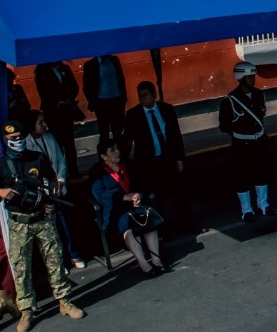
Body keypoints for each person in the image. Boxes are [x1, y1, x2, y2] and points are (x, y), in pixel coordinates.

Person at [0, 121, 86, 332]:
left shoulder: (37, 158)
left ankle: (65, 301)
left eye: (20, 137)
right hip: (19, 223)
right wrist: (2, 192)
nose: (18, 141)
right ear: (6, 140)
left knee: (55, 261)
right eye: (13, 139)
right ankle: (27, 310)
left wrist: (50, 202)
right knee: (22, 268)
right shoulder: (0, 166)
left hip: (42, 219)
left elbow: (51, 182)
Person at [90, 139, 168, 276]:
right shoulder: (97, 171)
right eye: (112, 150)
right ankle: (143, 262)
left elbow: (142, 182)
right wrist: (123, 197)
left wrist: (138, 194)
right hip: (115, 209)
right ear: (104, 156)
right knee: (127, 225)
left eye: (117, 148)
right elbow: (99, 194)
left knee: (148, 221)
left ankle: (156, 260)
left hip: (136, 204)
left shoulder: (128, 164)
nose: (117, 152)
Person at [122, 82, 188, 233]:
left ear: (154, 95)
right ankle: (163, 229)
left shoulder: (167, 110)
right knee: (156, 198)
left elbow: (176, 135)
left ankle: (186, 224)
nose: (143, 99)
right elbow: (127, 140)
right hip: (150, 163)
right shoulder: (133, 115)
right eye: (140, 96)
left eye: (146, 95)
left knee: (180, 193)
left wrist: (179, 157)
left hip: (169, 159)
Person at [25, 110, 85, 269]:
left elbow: (60, 161)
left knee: (66, 223)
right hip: (42, 190)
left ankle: (74, 254)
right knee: (50, 228)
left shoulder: (50, 138)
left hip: (57, 187)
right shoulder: (27, 144)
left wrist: (60, 180)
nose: (44, 125)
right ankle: (60, 261)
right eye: (40, 122)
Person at [218, 61, 271, 220]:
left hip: (259, 141)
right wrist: (240, 132)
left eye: (253, 76)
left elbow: (261, 115)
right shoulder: (229, 101)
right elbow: (224, 125)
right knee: (242, 176)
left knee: (261, 173)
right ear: (240, 78)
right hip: (241, 144)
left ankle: (264, 205)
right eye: (249, 77)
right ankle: (246, 210)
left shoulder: (258, 94)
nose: (252, 79)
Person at [33, 60, 81, 181]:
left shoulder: (65, 69)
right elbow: (43, 92)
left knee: (70, 142)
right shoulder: (42, 72)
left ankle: (74, 171)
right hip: (53, 112)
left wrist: (67, 99)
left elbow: (74, 87)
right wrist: (56, 102)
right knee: (57, 143)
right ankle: (60, 173)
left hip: (66, 109)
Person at [82, 53, 128, 149]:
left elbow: (121, 79)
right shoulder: (90, 64)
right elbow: (86, 87)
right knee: (104, 133)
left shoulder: (114, 60)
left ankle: (121, 156)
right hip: (102, 103)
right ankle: (104, 159)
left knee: (118, 131)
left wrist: (123, 98)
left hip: (117, 101)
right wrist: (93, 102)